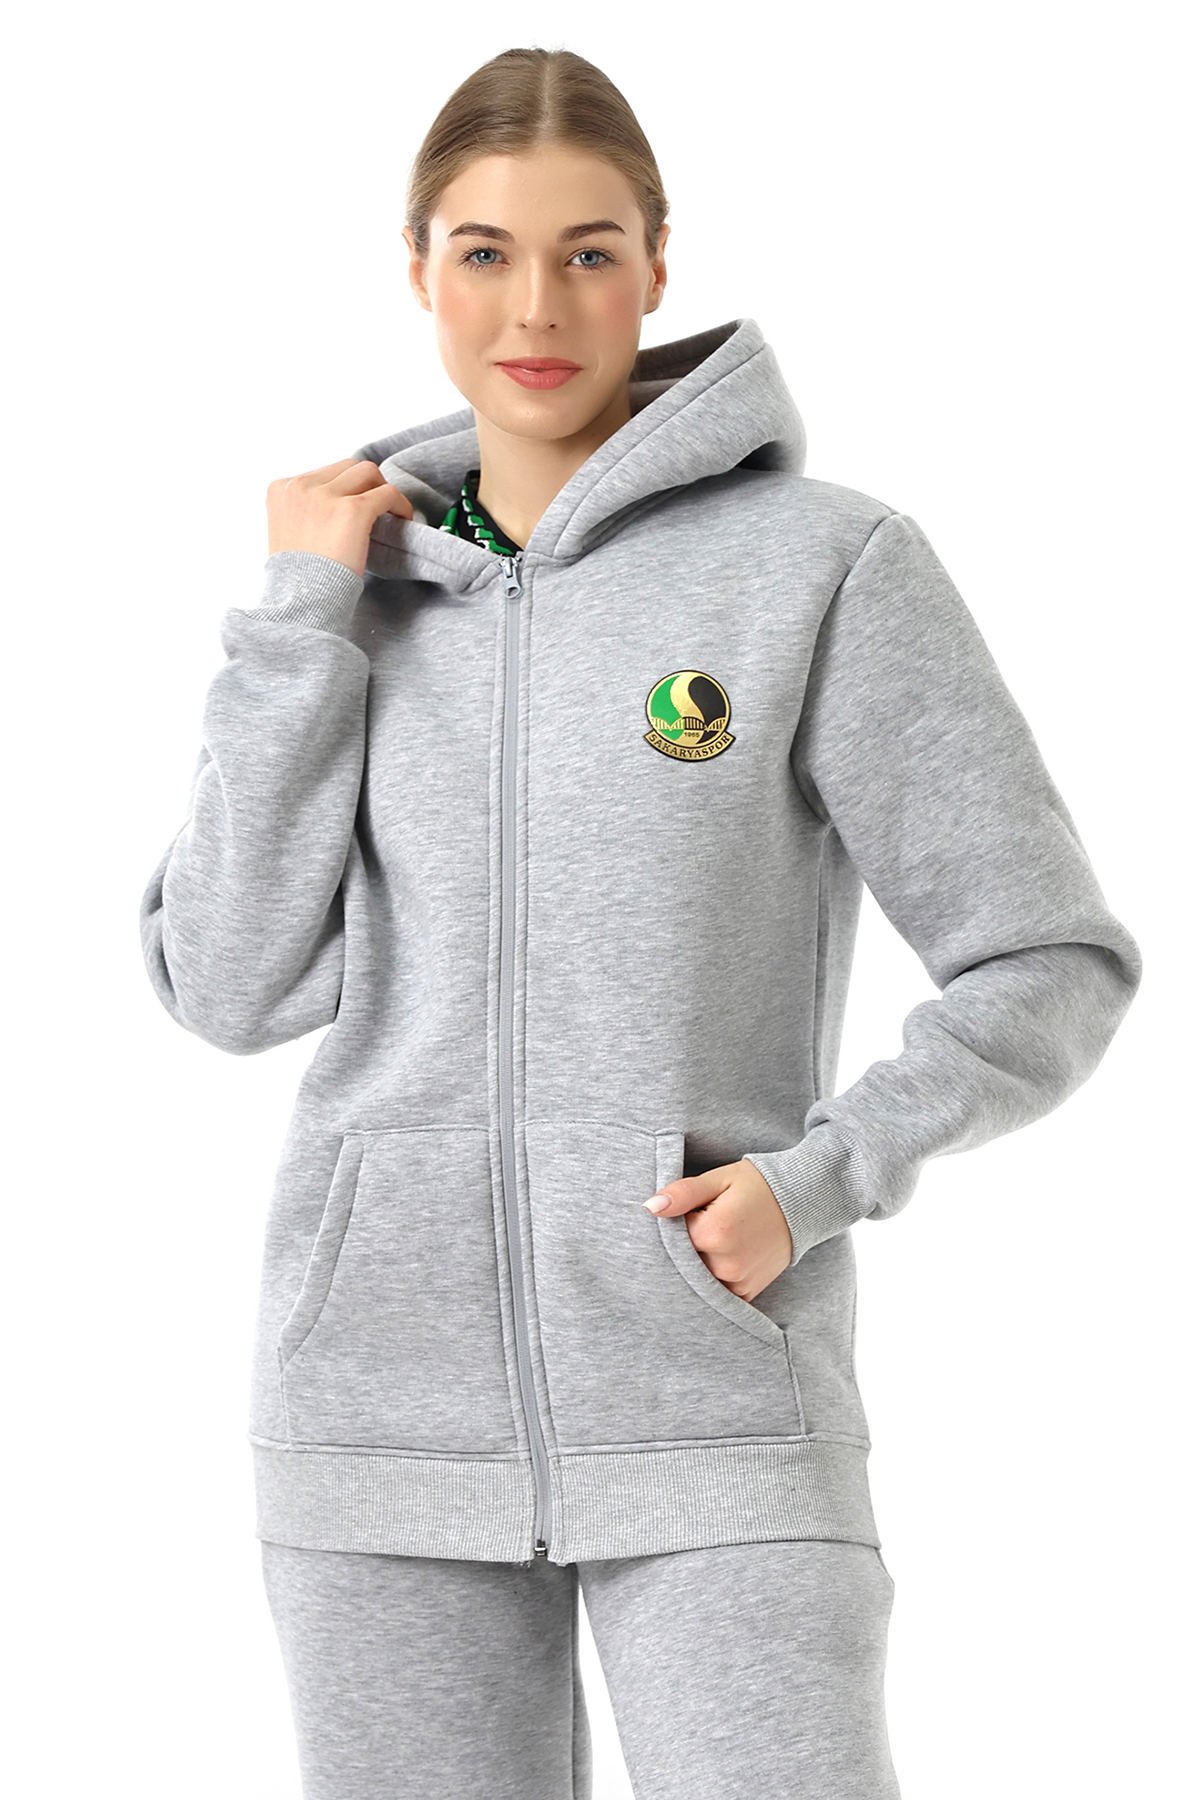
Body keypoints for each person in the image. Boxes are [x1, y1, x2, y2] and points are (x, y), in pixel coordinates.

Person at [139, 45, 1141, 1800]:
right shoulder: (343, 605)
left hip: (720, 1405)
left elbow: (1045, 957)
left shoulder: (822, 567)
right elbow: (226, 986)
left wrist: (814, 1182)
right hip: (376, 1427)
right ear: (417, 267)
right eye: (485, 252)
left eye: (588, 252)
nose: (536, 305)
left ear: (658, 266)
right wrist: (299, 624)